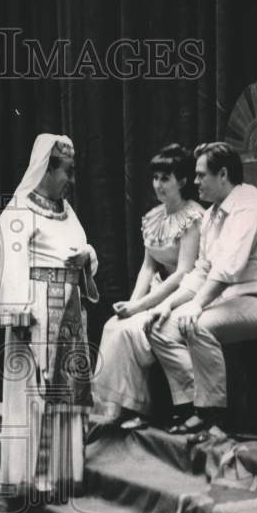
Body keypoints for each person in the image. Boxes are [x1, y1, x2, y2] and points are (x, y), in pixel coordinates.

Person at [146, 142, 257, 435]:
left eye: (201, 175)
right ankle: (192, 405)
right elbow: (201, 271)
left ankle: (213, 416)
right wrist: (169, 304)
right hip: (234, 298)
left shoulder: (251, 205)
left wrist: (196, 305)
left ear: (224, 174)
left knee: (198, 324)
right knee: (159, 328)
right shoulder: (212, 215)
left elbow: (228, 268)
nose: (195, 182)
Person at [0, 134, 98, 501]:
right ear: (47, 169)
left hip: (69, 308)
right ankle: (32, 478)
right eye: (67, 171)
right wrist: (19, 312)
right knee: (37, 393)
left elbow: (82, 245)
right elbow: (10, 262)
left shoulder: (68, 211)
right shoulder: (19, 210)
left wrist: (87, 256)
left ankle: (63, 475)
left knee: (67, 395)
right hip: (37, 312)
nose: (71, 179)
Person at [90, 145, 204, 432]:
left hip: (183, 295)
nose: (158, 185)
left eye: (165, 178)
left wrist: (140, 308)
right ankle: (120, 407)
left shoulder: (194, 217)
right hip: (157, 292)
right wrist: (131, 304)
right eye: (155, 178)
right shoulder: (154, 217)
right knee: (114, 326)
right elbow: (148, 267)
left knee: (132, 330)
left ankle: (141, 409)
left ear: (182, 181)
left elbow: (183, 273)